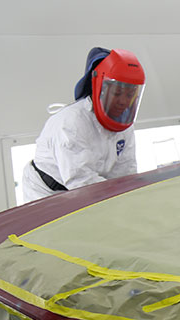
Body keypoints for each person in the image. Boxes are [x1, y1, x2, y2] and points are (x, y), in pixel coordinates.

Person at [22, 47, 145, 203]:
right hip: (45, 192)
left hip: (87, 189)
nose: (123, 101)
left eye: (129, 95)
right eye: (117, 93)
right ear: (101, 88)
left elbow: (126, 172)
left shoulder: (124, 127)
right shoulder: (71, 123)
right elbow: (80, 180)